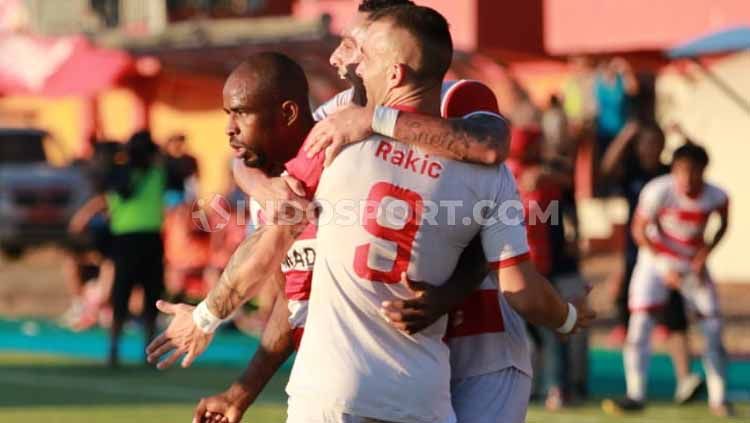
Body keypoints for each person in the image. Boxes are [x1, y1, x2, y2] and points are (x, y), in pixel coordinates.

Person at [602, 143, 732, 417]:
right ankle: (635, 394)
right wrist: (663, 266)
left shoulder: (717, 196)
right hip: (654, 262)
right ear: (673, 170)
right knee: (639, 326)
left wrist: (704, 253)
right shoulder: (658, 190)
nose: (686, 178)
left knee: (712, 328)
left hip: (691, 267)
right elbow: (639, 231)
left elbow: (723, 224)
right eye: (681, 171)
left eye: (693, 171)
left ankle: (719, 398)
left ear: (703, 171)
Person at [602, 121, 703, 404]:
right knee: (636, 320)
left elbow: (696, 163)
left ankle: (685, 379)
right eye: (646, 143)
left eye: (657, 142)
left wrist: (683, 135)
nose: (651, 148)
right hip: (637, 257)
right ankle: (636, 388)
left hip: (670, 258)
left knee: (675, 317)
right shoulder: (631, 172)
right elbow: (606, 170)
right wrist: (623, 136)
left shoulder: (670, 173)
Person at [71, 130, 166, 367]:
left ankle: (115, 350)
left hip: (126, 241)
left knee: (124, 297)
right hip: (146, 240)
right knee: (147, 297)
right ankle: (146, 352)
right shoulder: (155, 173)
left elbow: (103, 189)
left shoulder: (117, 175)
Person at [162, 133, 198, 208]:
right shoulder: (164, 160)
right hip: (168, 194)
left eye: (180, 142)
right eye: (175, 142)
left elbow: (195, 177)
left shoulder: (190, 160)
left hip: (186, 194)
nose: (177, 145)